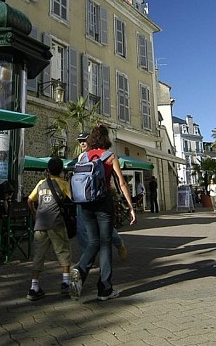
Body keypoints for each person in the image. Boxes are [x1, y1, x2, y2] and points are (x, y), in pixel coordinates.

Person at [70, 124, 136, 301]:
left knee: (93, 241)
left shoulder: (83, 156)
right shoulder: (109, 157)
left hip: (85, 202)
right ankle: (105, 289)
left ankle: (80, 269)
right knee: (105, 243)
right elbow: (121, 183)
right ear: (106, 138)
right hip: (103, 203)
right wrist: (130, 207)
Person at [74, 132, 128, 262]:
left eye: (84, 140)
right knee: (82, 230)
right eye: (80, 141)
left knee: (105, 229)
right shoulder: (82, 157)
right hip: (83, 197)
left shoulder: (102, 155)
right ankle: (86, 258)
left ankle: (118, 243)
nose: (82, 143)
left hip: (100, 195)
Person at [26, 156, 72, 301]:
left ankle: (34, 287)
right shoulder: (64, 184)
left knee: (38, 255)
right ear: (61, 170)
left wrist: (35, 215)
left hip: (40, 224)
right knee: (63, 252)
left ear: (47, 170)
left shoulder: (41, 183)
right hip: (56, 224)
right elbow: (73, 199)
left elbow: (29, 200)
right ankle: (65, 282)